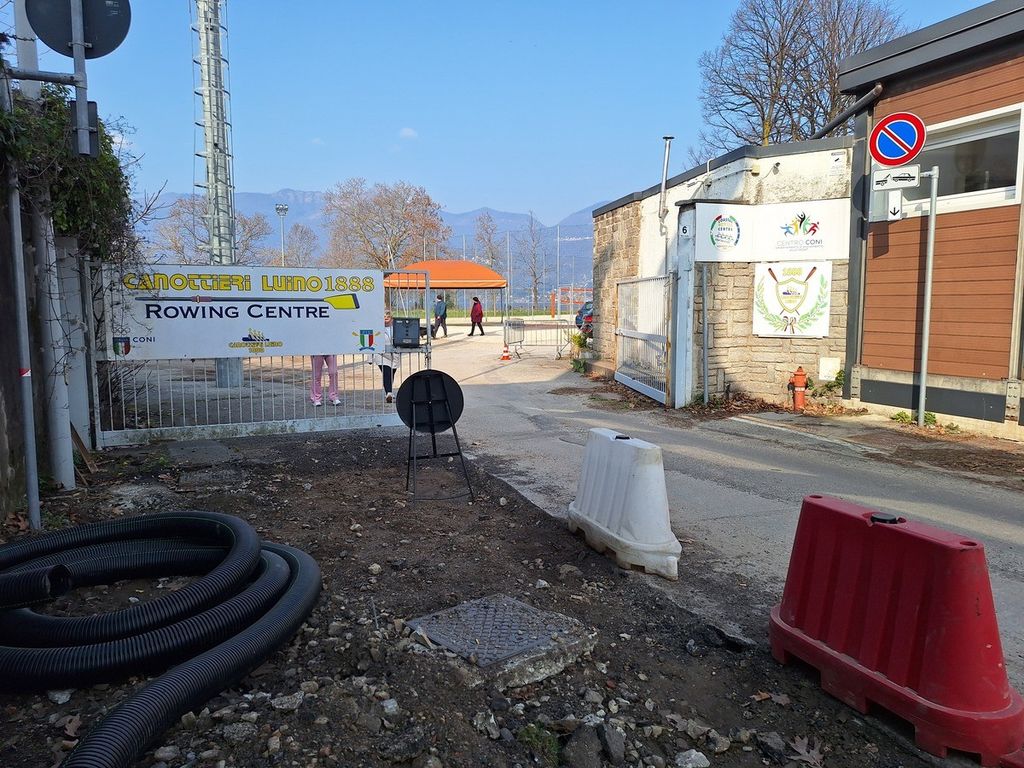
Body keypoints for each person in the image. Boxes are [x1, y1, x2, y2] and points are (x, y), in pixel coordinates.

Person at [375, 311, 397, 404]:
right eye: (384, 317)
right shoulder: (377, 328)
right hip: (381, 354)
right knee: (386, 372)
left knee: (392, 373)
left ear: (391, 319)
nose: (386, 319)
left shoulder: (396, 328)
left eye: (388, 317)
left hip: (394, 355)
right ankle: (388, 393)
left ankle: (389, 390)